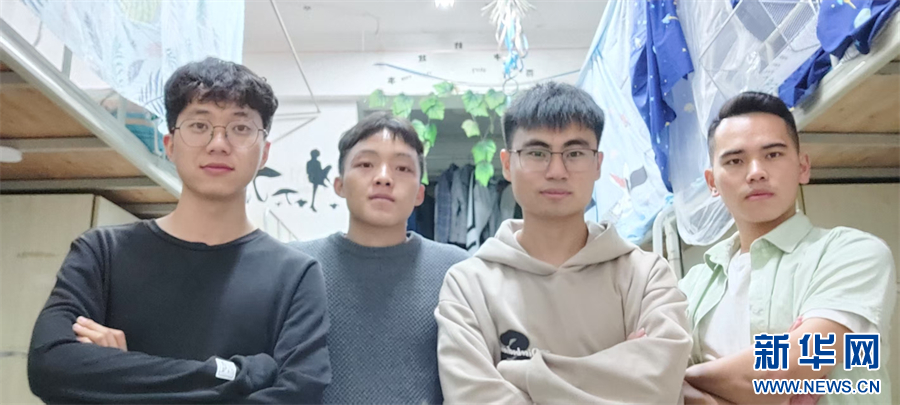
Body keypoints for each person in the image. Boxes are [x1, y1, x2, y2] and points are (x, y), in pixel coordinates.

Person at [27, 57, 331, 404]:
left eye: (240, 128)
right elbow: (50, 366)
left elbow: (298, 396)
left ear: (264, 154)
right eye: (199, 125)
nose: (219, 143)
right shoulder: (102, 252)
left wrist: (119, 377)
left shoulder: (295, 275)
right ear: (170, 145)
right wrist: (237, 375)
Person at [435, 82, 692, 403]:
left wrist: (523, 376)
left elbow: (660, 386)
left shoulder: (647, 275)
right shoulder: (468, 285)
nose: (557, 171)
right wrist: (618, 374)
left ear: (598, 164)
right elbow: (472, 398)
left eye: (575, 153)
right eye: (537, 153)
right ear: (507, 164)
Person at [680, 91, 896, 404]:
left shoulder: (853, 253)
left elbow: (786, 369)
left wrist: (687, 377)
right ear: (712, 182)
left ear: (802, 167)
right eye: (735, 160)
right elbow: (652, 380)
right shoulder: (691, 287)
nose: (756, 171)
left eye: (773, 154)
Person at [291, 112, 469, 404]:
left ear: (420, 194)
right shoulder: (296, 267)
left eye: (402, 168)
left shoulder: (456, 270)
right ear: (339, 184)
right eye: (365, 164)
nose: (384, 177)